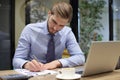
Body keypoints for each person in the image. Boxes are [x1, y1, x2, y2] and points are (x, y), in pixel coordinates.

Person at [13, 2, 85, 72]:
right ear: (49, 14)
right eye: (54, 22)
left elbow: (80, 57)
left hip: (54, 74)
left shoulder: (67, 32)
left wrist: (57, 63)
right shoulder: (30, 30)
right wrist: (27, 65)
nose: (55, 28)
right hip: (33, 74)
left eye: (61, 25)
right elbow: (17, 59)